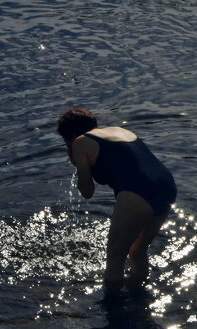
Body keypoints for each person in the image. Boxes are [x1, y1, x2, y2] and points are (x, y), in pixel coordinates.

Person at [57, 108, 176, 289]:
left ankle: (113, 303)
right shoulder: (121, 131)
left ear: (71, 135)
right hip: (167, 188)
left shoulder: (80, 142)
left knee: (115, 257)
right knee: (137, 251)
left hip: (137, 192)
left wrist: (74, 156)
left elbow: (87, 191)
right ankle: (139, 295)